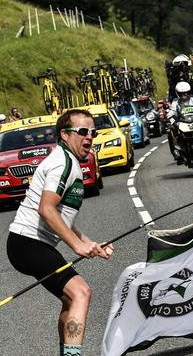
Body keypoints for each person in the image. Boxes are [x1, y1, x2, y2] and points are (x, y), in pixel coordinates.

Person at [6, 109, 113, 356]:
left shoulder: (68, 160)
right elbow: (46, 209)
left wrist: (88, 242)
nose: (89, 137)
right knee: (81, 292)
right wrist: (77, 247)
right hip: (27, 242)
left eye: (93, 132)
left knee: (70, 298)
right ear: (65, 135)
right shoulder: (62, 163)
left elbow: (61, 214)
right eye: (83, 131)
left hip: (29, 243)